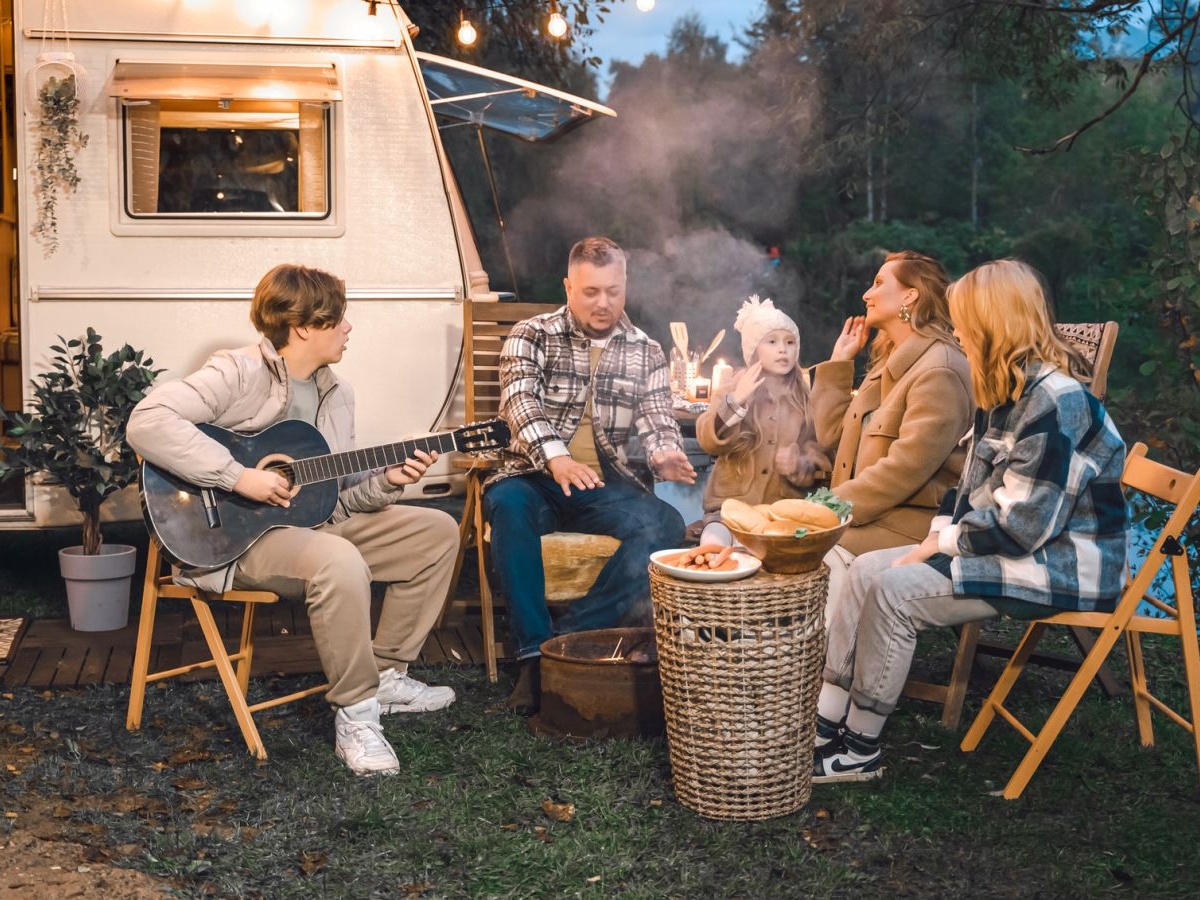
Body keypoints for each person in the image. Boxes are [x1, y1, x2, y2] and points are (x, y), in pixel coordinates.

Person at [127, 264, 459, 777]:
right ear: (304, 326)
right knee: (337, 558)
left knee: (435, 531)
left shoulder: (337, 393)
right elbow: (147, 422)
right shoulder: (237, 371)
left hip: (312, 529)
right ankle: (357, 713)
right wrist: (238, 477)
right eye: (339, 320)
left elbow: (336, 500)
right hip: (235, 540)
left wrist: (389, 481)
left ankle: (387, 674)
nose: (348, 328)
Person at [812, 258, 1130, 783]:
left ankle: (859, 750)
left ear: (992, 324)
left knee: (892, 591)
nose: (955, 330)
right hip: (1011, 546)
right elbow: (964, 490)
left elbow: (1024, 527)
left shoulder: (1056, 404)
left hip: (1060, 564)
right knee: (868, 569)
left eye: (963, 321)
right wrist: (938, 536)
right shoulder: (1002, 393)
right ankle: (824, 725)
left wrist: (940, 545)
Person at [483, 236, 697, 715]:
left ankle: (565, 640)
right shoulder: (531, 333)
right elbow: (520, 403)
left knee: (665, 526)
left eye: (613, 291)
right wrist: (556, 456)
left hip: (605, 486)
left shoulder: (646, 350)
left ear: (625, 286)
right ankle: (533, 659)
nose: (603, 303)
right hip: (535, 475)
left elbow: (657, 415)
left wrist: (664, 452)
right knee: (508, 507)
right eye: (590, 291)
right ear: (568, 286)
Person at [810, 250, 974, 606]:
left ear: (910, 295)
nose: (866, 294)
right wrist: (840, 363)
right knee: (782, 547)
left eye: (880, 283)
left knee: (807, 555)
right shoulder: (889, 362)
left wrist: (830, 510)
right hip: (870, 514)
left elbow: (904, 469)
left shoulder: (939, 369)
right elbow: (830, 437)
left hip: (910, 523)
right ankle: (787, 655)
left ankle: (823, 662)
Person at [695, 294, 830, 544]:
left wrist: (798, 464)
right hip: (728, 510)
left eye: (790, 342)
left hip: (779, 515)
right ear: (754, 350)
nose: (783, 349)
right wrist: (737, 401)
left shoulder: (804, 398)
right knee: (714, 546)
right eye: (772, 341)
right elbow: (708, 441)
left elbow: (817, 454)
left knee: (764, 562)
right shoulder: (733, 388)